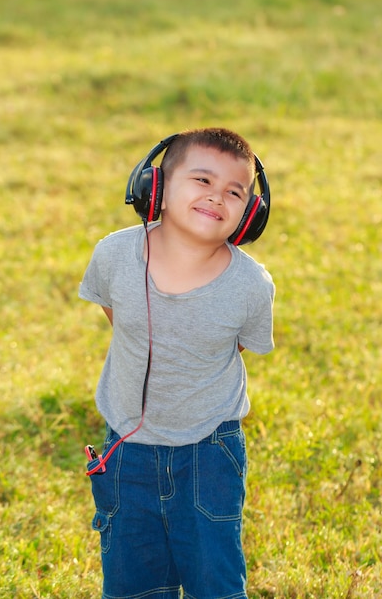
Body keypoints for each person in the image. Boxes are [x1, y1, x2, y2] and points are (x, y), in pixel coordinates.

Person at [79, 127, 275, 599]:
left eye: (234, 191)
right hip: (127, 449)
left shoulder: (251, 286)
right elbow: (119, 317)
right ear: (156, 189)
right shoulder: (113, 255)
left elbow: (235, 345)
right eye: (202, 181)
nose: (217, 197)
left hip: (210, 451)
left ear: (249, 215)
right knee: (133, 583)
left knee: (216, 581)